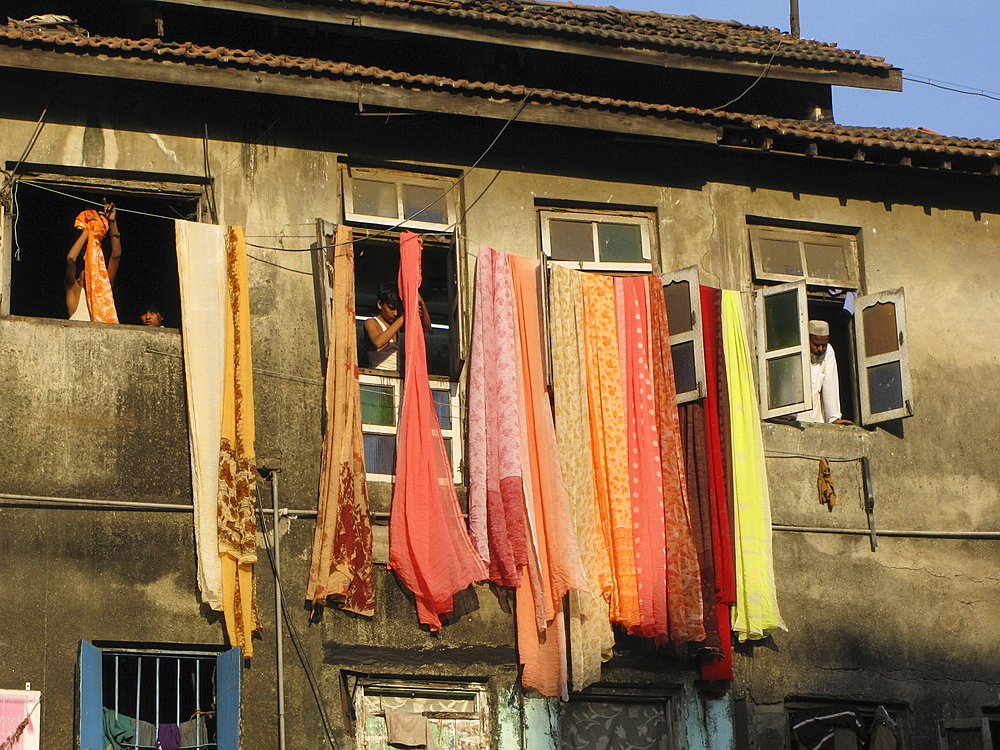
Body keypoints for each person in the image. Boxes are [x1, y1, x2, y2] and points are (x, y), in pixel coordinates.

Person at [65, 201, 121, 321]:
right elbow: (71, 259)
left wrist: (112, 222)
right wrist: (88, 230)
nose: (91, 272)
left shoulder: (103, 288)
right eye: (86, 270)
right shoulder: (75, 292)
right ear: (78, 278)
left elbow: (116, 256)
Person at [363, 283, 431, 371]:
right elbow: (378, 342)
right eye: (391, 308)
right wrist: (404, 317)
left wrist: (421, 303)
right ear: (380, 305)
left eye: (399, 309)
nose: (395, 313)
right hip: (377, 378)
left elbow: (426, 327)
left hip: (396, 378)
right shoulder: (371, 322)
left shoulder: (397, 325)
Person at [798, 319, 852, 425]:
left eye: (824, 345)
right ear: (807, 339)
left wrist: (834, 418)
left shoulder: (829, 352)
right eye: (816, 344)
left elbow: (830, 383)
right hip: (795, 416)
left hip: (817, 418)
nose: (821, 349)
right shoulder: (797, 349)